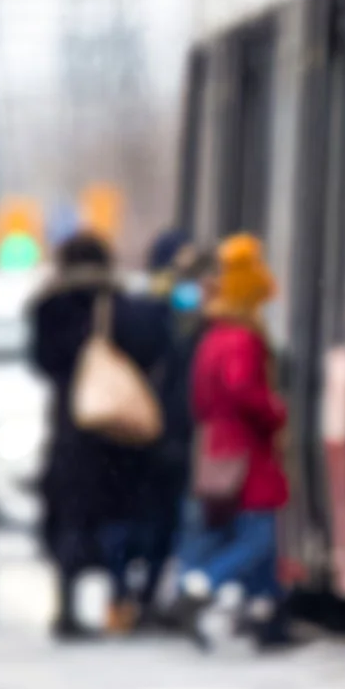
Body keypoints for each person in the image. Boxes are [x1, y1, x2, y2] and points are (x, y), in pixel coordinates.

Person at [28, 232, 171, 641]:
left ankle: (67, 607)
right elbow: (149, 348)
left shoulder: (47, 307)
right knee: (116, 520)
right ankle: (120, 602)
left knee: (71, 521)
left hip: (69, 431)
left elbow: (41, 361)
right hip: (114, 434)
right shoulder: (117, 305)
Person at [174, 234, 295, 650]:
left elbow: (199, 397)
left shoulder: (212, 337)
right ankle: (203, 585)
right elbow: (244, 389)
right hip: (248, 449)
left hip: (219, 445)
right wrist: (276, 410)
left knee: (250, 534)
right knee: (258, 536)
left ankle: (267, 614)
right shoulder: (243, 338)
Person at [127, 230, 213, 628]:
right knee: (169, 523)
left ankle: (144, 598)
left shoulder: (144, 309)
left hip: (152, 433)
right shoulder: (173, 314)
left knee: (160, 524)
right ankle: (156, 598)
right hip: (172, 432)